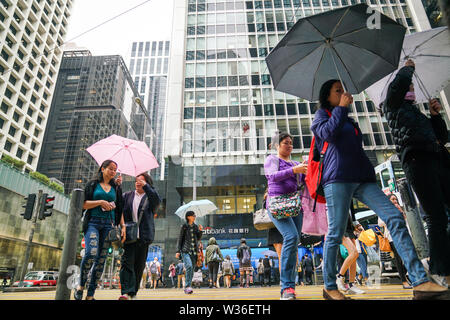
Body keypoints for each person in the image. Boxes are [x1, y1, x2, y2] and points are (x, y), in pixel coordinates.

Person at [311, 79, 448, 300]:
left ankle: (420, 281)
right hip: (337, 180)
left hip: (363, 179)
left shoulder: (349, 120)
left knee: (394, 216)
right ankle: (329, 286)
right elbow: (327, 135)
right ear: (327, 97)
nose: (343, 93)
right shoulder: (322, 117)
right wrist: (341, 109)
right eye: (338, 91)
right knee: (335, 232)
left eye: (343, 90)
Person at [383, 58, 450, 286]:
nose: (411, 87)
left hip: (438, 161)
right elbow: (398, 86)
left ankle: (442, 264)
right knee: (436, 217)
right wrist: (407, 69)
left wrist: (434, 115)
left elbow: (441, 138)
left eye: (412, 86)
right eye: (408, 86)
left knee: (445, 215)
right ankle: (440, 270)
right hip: (417, 162)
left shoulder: (415, 112)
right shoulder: (392, 105)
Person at [264, 132, 308, 300]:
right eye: (285, 143)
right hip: (277, 205)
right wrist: (293, 170)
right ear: (277, 145)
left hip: (295, 205)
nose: (289, 145)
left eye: (291, 143)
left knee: (294, 241)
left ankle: (290, 285)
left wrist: (307, 169)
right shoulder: (272, 160)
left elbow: (304, 182)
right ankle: (286, 288)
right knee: (291, 237)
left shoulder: (297, 163)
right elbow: (271, 176)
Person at [74, 160, 124, 301]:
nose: (113, 172)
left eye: (115, 170)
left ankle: (90, 295)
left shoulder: (116, 187)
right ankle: (80, 286)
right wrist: (100, 202)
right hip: (93, 223)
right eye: (110, 169)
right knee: (91, 253)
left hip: (108, 225)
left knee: (101, 260)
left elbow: (120, 208)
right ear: (102, 169)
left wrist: (123, 226)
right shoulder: (92, 184)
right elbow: (83, 204)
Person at [118, 172, 161, 300]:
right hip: (129, 235)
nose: (138, 182)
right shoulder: (127, 195)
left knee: (139, 266)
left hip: (144, 237)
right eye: (137, 180)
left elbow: (157, 201)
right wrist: (117, 187)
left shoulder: (150, 197)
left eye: (141, 181)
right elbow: (118, 205)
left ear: (147, 183)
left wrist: (146, 186)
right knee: (127, 263)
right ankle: (126, 292)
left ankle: (133, 292)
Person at [378, 196, 412, 289]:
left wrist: (401, 213)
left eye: (396, 199)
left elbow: (407, 222)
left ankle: (407, 277)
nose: (395, 201)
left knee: (408, 257)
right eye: (392, 199)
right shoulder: (384, 210)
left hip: (404, 236)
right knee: (399, 259)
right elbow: (380, 223)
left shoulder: (400, 209)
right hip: (392, 237)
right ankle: (404, 281)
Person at [335, 216, 366, 295]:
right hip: (340, 227)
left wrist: (356, 225)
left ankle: (351, 285)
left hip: (349, 228)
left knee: (354, 257)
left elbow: (351, 214)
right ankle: (339, 277)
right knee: (354, 253)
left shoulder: (349, 203)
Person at [176, 211, 203, 294]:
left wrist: (200, 231)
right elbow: (180, 239)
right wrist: (178, 251)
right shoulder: (184, 226)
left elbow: (198, 238)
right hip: (185, 250)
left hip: (194, 251)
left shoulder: (195, 227)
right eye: (193, 216)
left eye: (194, 215)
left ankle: (189, 286)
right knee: (189, 266)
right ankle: (187, 286)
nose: (194, 217)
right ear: (188, 217)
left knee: (191, 269)